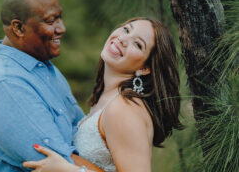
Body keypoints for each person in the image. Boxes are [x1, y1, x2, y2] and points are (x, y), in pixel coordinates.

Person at [0, 0, 102, 172]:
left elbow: (80, 134)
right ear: (19, 28)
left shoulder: (42, 67)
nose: (62, 28)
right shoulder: (7, 84)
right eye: (50, 21)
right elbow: (62, 165)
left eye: (60, 17)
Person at [23, 17, 184, 172]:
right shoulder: (107, 99)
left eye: (137, 44)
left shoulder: (124, 109)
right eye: (126, 29)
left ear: (144, 69)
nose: (123, 39)